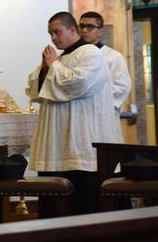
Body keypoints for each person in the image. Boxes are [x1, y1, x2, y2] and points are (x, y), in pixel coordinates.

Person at [26, 12, 123, 214]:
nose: (53, 38)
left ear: (72, 30)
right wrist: (45, 69)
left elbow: (78, 83)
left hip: (80, 141)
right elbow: (35, 89)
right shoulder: (61, 58)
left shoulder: (90, 53)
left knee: (82, 200)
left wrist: (52, 66)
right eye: (50, 33)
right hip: (57, 144)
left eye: (57, 32)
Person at [78, 11, 132, 116]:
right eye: (81, 26)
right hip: (77, 113)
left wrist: (88, 97)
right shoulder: (73, 55)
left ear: (101, 31)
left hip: (101, 113)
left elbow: (122, 87)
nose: (84, 30)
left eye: (90, 27)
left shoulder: (113, 57)